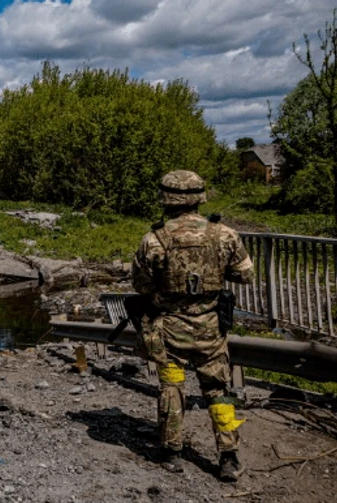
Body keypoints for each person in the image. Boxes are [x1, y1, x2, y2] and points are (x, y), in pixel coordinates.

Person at [131, 170, 254, 481]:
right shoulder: (224, 234)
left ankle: (171, 452)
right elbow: (245, 274)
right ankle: (228, 457)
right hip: (210, 329)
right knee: (217, 389)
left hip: (170, 329)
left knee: (171, 386)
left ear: (165, 199)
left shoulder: (154, 239)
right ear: (200, 197)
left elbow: (141, 285)